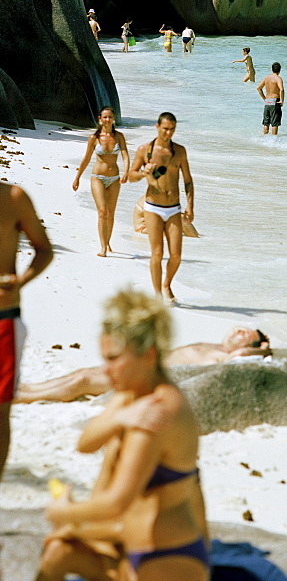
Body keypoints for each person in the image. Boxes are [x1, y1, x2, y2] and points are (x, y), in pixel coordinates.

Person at [40, 288, 209, 580]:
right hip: (127, 547)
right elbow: (86, 443)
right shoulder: (130, 396)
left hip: (165, 557)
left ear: (148, 355)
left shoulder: (159, 411)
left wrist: (62, 512)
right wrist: (119, 416)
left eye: (114, 359)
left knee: (60, 539)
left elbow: (117, 501)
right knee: (57, 552)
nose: (106, 371)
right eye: (104, 358)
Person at [18, 327, 271, 404]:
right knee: (83, 373)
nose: (240, 330)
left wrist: (260, 348)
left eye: (246, 333)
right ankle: (28, 389)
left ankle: (21, 398)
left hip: (147, 379)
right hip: (139, 366)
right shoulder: (214, 346)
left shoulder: (226, 358)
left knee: (81, 382)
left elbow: (245, 358)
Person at [0, 183, 53, 480]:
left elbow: (44, 250)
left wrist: (19, 282)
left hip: (3, 317)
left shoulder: (13, 198)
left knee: (0, 412)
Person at [129, 113, 194, 304]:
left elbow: (188, 180)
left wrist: (190, 206)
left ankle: (167, 284)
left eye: (172, 129)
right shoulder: (145, 150)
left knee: (176, 255)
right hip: (153, 208)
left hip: (174, 208)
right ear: (157, 126)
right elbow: (131, 176)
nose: (168, 133)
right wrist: (143, 173)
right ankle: (158, 295)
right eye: (165, 128)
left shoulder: (179, 151)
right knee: (157, 253)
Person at [72, 107, 130, 257]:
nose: (107, 120)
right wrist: (77, 177)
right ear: (99, 119)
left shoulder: (119, 137)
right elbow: (86, 158)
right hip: (97, 177)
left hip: (115, 179)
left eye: (110, 117)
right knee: (103, 212)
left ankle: (108, 243)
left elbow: (125, 155)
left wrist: (126, 172)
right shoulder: (94, 138)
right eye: (104, 117)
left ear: (113, 118)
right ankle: (103, 247)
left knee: (110, 214)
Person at [257, 63, 284, 135]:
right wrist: (282, 101)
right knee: (275, 124)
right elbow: (281, 89)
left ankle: (265, 139)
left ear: (272, 69)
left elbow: (259, 88)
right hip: (275, 101)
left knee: (266, 123)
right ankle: (274, 141)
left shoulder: (266, 78)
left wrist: (264, 99)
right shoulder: (278, 78)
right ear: (280, 70)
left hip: (267, 101)